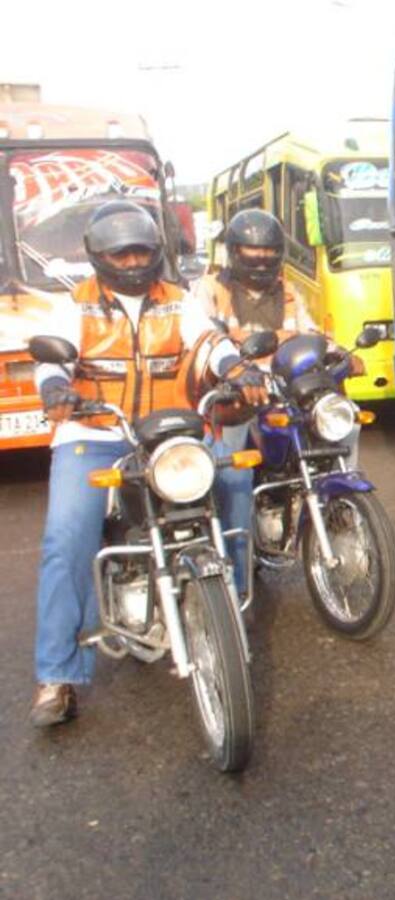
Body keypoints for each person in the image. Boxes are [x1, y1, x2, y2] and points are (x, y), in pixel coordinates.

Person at [29, 200, 266, 728]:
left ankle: (229, 601)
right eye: (122, 254)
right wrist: (57, 390)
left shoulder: (176, 301)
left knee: (232, 476)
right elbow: (51, 362)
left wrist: (239, 370)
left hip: (167, 433)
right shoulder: (76, 306)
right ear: (99, 256)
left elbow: (210, 343)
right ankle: (57, 675)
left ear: (156, 251)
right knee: (66, 538)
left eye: (141, 252)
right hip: (95, 434)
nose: (133, 262)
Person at [191, 209, 362, 598]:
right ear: (234, 252)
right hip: (233, 401)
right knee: (233, 479)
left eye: (269, 252)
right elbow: (204, 343)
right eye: (252, 252)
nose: (261, 259)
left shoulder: (288, 292)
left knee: (342, 427)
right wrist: (235, 374)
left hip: (282, 392)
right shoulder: (209, 291)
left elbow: (311, 334)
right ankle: (233, 587)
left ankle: (341, 510)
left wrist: (340, 354)